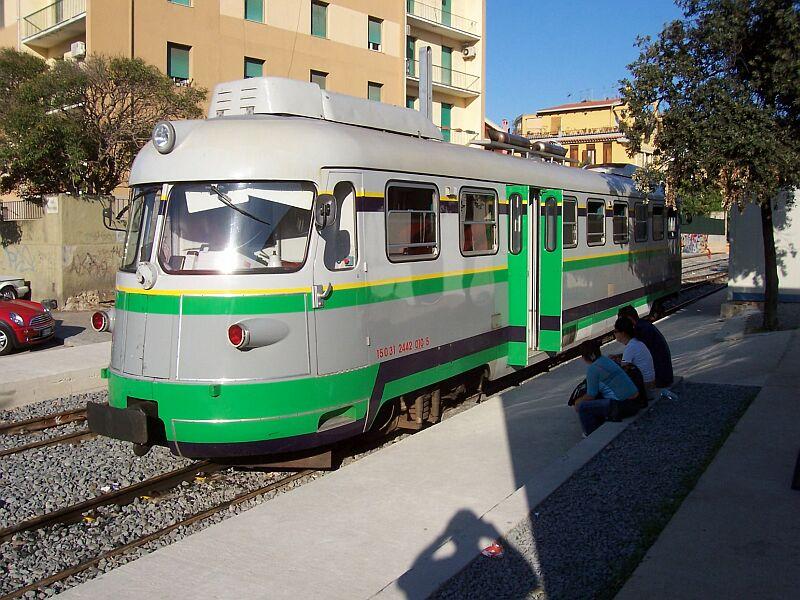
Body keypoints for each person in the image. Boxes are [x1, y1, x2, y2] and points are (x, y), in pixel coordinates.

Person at [573, 340, 639, 436]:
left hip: (623, 406)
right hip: (636, 401)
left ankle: (591, 434)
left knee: (582, 406)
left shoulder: (593, 369)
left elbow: (591, 395)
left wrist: (577, 402)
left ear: (585, 357)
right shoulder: (606, 360)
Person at [618, 305, 674, 388]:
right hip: (664, 373)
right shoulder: (643, 325)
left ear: (629, 319)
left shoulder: (640, 330)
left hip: (659, 378)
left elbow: (636, 354)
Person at [612, 317, 657, 399]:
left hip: (645, 388)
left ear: (623, 333)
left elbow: (623, 369)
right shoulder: (637, 342)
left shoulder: (630, 347)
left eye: (615, 331)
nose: (614, 334)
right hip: (650, 382)